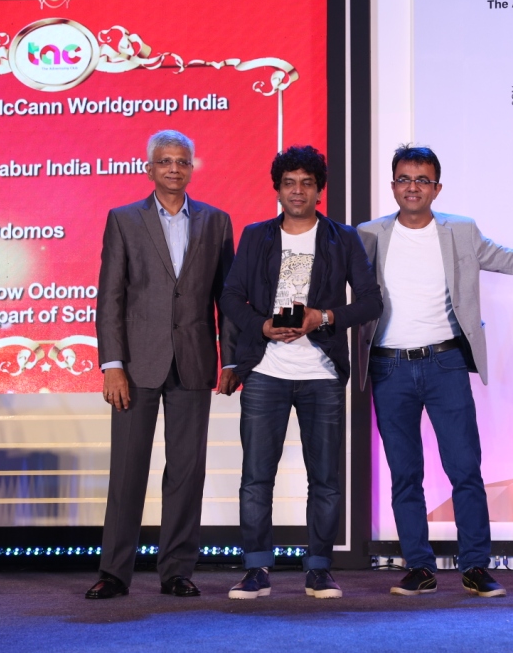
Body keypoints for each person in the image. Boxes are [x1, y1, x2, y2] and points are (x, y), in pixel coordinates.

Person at [356, 144, 513, 597]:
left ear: (437, 188)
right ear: (393, 186)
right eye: (404, 179)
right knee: (405, 472)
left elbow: (509, 258)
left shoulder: (461, 231)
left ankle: (475, 566)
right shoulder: (367, 235)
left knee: (465, 468)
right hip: (388, 366)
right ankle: (419, 566)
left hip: (446, 363)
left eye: (422, 180)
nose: (412, 187)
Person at [220, 145, 383, 599]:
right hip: (265, 371)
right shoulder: (256, 236)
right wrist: (262, 326)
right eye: (289, 183)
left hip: (321, 372)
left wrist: (322, 318)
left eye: (306, 183)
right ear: (277, 189)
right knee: (256, 477)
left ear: (319, 190)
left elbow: (371, 301)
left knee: (325, 479)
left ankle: (318, 568)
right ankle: (256, 568)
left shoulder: (342, 238)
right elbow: (230, 296)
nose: (297, 191)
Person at [86, 130, 240, 600]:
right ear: (149, 169)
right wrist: (112, 364)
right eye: (165, 161)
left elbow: (227, 299)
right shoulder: (123, 219)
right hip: (135, 365)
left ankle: (176, 570)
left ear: (191, 167)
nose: (174, 168)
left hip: (195, 361)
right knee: (127, 470)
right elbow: (110, 297)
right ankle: (115, 572)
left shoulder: (216, 221)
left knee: (187, 471)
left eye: (182, 161)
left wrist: (231, 358)